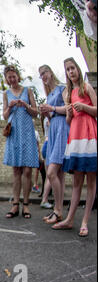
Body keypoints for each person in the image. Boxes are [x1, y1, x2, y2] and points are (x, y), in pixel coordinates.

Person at [52, 57, 97, 237]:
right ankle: (70, 219)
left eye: (73, 68)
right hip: (76, 136)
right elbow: (70, 121)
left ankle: (84, 222)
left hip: (90, 136)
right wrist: (69, 113)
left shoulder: (87, 87)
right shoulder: (68, 93)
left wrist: (84, 107)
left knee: (91, 180)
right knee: (77, 181)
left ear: (78, 69)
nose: (71, 72)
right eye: (67, 70)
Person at [2, 65, 39, 219]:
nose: (12, 79)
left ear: (18, 76)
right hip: (14, 133)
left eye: (14, 76)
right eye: (9, 77)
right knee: (16, 170)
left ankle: (26, 204)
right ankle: (15, 204)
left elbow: (36, 113)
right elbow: (4, 116)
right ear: (6, 79)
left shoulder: (28, 90)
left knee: (28, 170)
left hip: (27, 132)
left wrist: (25, 105)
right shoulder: (6, 93)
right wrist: (9, 107)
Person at [38, 64, 69, 223]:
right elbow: (53, 116)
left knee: (51, 172)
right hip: (53, 131)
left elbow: (68, 109)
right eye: (41, 74)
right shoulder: (49, 94)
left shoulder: (61, 88)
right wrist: (47, 114)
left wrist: (52, 108)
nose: (43, 76)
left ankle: (57, 210)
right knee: (59, 175)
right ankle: (58, 211)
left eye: (45, 72)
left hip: (63, 129)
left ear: (51, 72)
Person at [31, 128, 41, 193]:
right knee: (28, 169)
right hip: (29, 153)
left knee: (37, 169)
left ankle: (35, 185)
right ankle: (31, 185)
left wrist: (39, 153)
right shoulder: (26, 132)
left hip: (35, 152)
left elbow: (38, 144)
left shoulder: (36, 132)